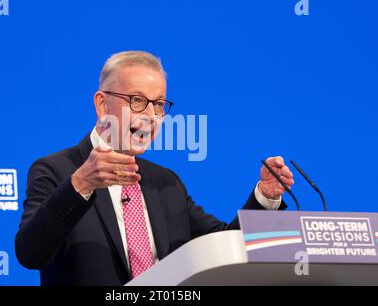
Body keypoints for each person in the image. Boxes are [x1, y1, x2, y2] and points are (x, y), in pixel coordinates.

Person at [15, 51, 294, 285]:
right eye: (137, 101)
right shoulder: (57, 171)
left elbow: (223, 247)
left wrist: (265, 197)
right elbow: (30, 253)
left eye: (159, 105)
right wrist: (81, 185)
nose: (150, 116)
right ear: (102, 104)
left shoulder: (166, 182)